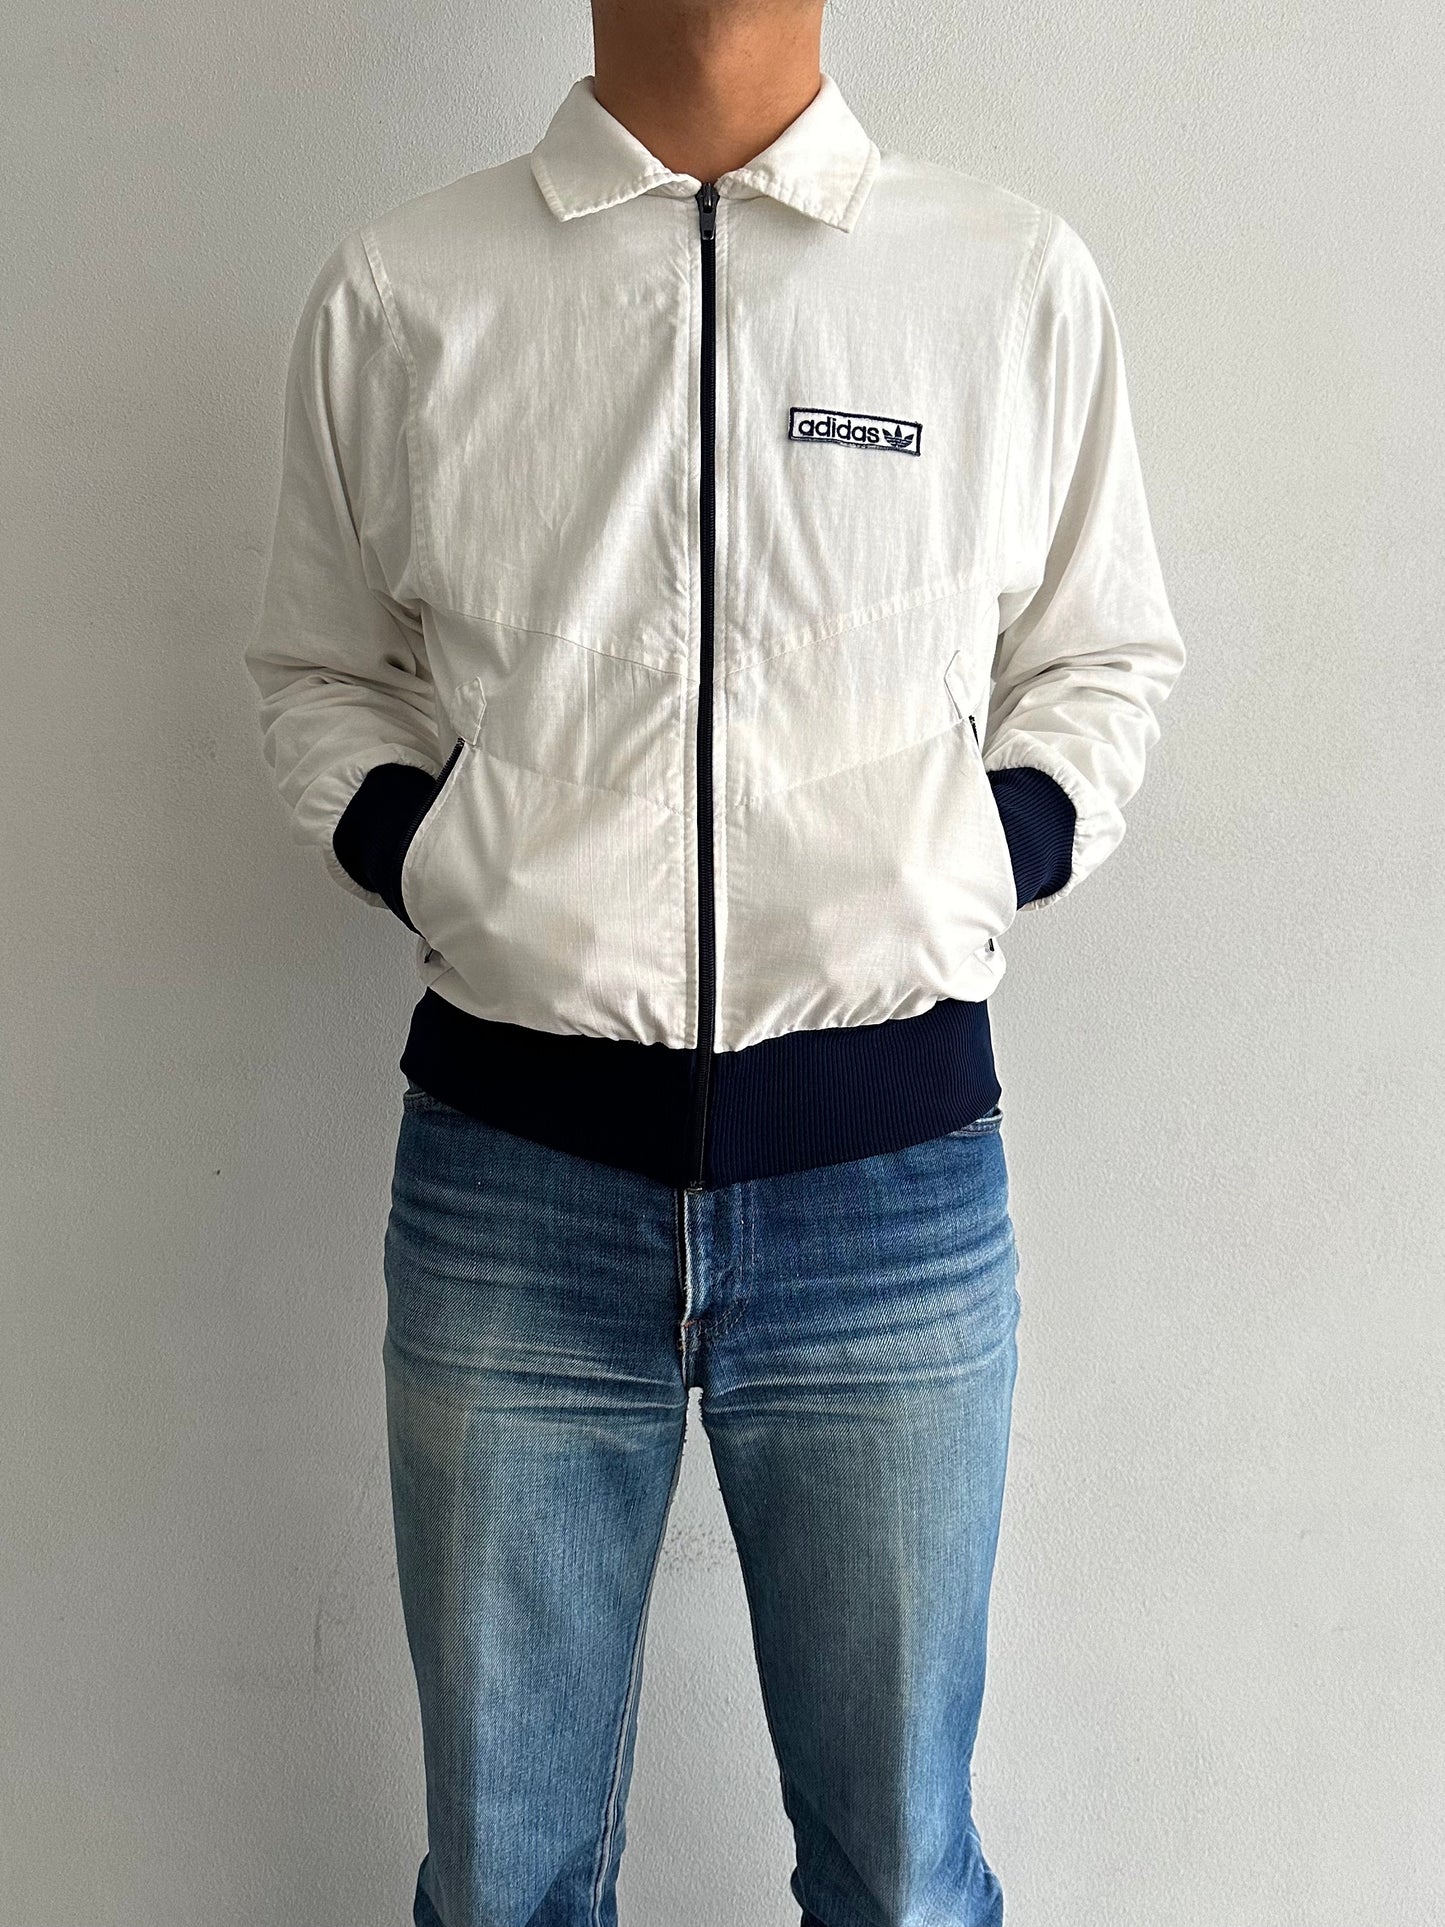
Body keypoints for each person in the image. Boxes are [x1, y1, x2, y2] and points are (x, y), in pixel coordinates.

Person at [244, 0, 1185, 1919]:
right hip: (513, 1186)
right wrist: (450, 870)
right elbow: (323, 672)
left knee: (900, 1880)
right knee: (503, 1881)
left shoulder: (1001, 279)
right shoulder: (410, 291)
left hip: (890, 1192)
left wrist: (960, 867)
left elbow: (1097, 659)